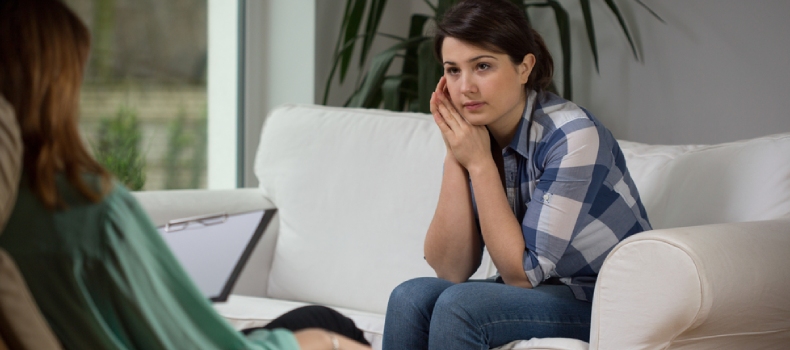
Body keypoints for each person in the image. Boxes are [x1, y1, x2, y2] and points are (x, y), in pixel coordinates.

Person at [0, 1, 370, 349]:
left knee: (316, 316)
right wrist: (318, 344)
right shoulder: (87, 210)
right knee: (331, 328)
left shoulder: (16, 209)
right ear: (55, 88)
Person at [382, 0, 652, 349]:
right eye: (453, 70)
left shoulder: (573, 136)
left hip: (605, 301)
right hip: (540, 294)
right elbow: (450, 270)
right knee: (410, 297)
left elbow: (523, 275)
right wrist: (455, 153)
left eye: (482, 66)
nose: (465, 88)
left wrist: (478, 164)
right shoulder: (478, 135)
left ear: (524, 67)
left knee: (461, 306)